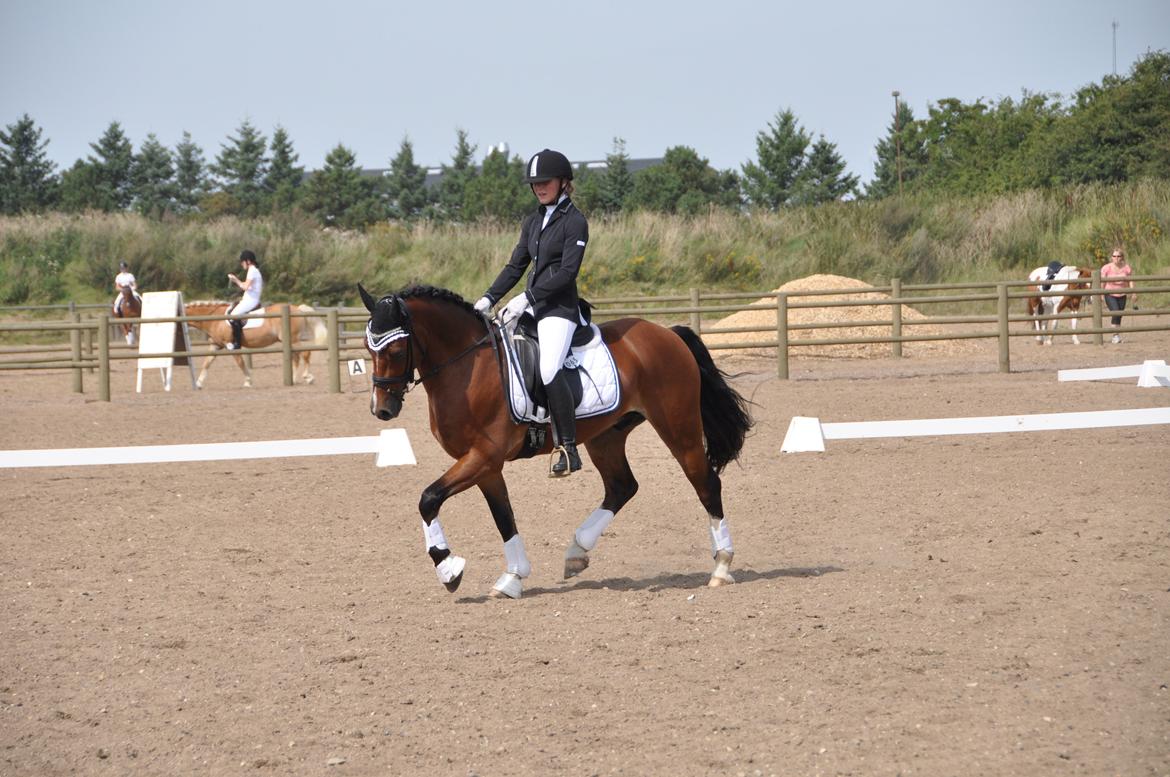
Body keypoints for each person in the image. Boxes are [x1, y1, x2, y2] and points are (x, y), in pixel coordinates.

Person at [474, 149, 588, 477]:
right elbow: (516, 265)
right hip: (532, 306)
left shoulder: (575, 222)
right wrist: (488, 298)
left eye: (545, 181)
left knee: (549, 367)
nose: (539, 187)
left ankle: (568, 446)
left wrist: (528, 297)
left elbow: (567, 273)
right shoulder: (533, 221)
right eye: (535, 183)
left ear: (563, 183)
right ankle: (525, 429)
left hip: (559, 309)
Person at [225, 249, 263, 350]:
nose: (242, 264)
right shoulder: (253, 271)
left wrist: (235, 280)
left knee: (233, 316)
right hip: (249, 298)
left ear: (248, 261)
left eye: (242, 262)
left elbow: (245, 287)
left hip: (251, 300)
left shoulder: (252, 271)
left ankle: (237, 343)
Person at [1101, 247, 1135, 344]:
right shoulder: (1106, 268)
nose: (1116, 258)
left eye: (1118, 256)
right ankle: (1114, 336)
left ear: (1122, 257)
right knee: (1115, 312)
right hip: (1110, 294)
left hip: (1122, 294)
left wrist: (1133, 292)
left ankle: (1117, 335)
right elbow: (1102, 283)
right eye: (1114, 256)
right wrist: (1101, 294)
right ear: (1111, 257)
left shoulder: (1126, 268)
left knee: (1119, 315)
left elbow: (1130, 280)